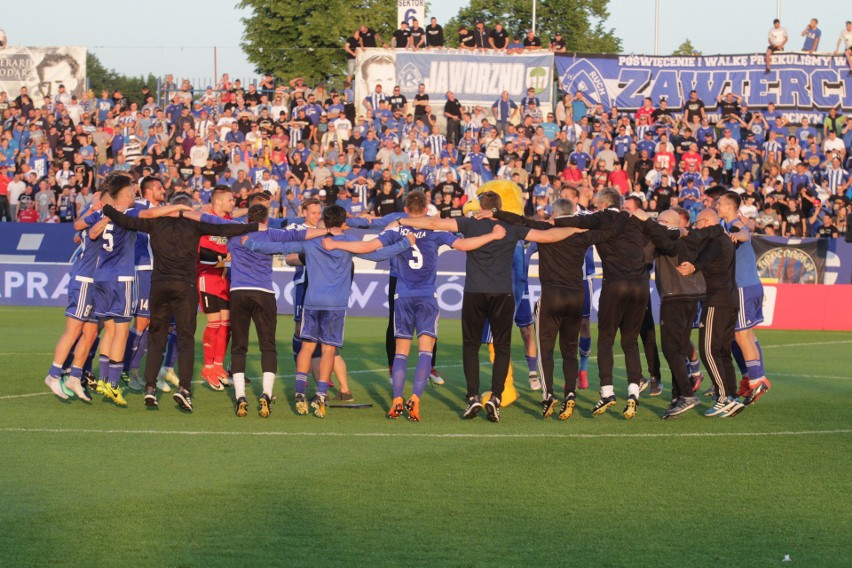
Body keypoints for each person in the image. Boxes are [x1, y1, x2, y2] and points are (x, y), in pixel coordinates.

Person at [397, 191, 583, 422]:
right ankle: (496, 397)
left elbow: (434, 222)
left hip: (474, 292)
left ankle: (473, 396)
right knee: (502, 346)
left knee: (470, 345)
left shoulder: (470, 223)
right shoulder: (511, 226)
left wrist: (401, 220)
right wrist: (579, 229)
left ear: (481, 207)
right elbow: (550, 236)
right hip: (502, 293)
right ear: (499, 206)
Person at [333, 191, 502, 421]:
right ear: (426, 208)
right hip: (426, 297)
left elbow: (367, 248)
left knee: (401, 354)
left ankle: (396, 399)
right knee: (425, 351)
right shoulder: (436, 230)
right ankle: (415, 399)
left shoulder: (395, 228)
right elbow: (464, 245)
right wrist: (492, 236)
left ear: (406, 208)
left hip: (402, 295)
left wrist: (335, 243)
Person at [247, 205, 414, 418]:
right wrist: (405, 243)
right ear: (343, 222)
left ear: (324, 220)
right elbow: (377, 254)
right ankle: (321, 395)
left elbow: (281, 247)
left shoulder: (311, 242)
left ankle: (299, 393)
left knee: (306, 347)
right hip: (336, 305)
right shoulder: (349, 242)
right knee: (328, 350)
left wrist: (251, 244)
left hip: (312, 301)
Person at [101, 192, 259, 412]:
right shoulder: (195, 225)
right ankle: (184, 389)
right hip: (185, 287)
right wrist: (252, 227)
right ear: (186, 210)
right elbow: (224, 229)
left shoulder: (155, 223)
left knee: (157, 337)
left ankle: (150, 387)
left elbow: (125, 220)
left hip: (159, 286)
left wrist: (107, 209)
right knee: (185, 338)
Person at [491, 198, 622, 419]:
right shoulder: (581, 233)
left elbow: (520, 221)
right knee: (570, 348)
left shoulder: (545, 228)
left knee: (546, 350)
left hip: (552, 295)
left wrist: (497, 212)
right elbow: (609, 233)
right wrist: (619, 213)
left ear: (554, 212)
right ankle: (570, 393)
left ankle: (548, 394)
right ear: (572, 211)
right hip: (576, 295)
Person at [227, 204, 335, 417]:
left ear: (248, 217)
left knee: (239, 347)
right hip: (263, 292)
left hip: (238, 292)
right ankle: (266, 394)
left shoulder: (235, 234)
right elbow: (300, 233)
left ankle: (240, 396)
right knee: (268, 346)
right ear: (267, 219)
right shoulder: (271, 234)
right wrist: (327, 230)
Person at [552, 187, 649, 419]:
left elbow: (571, 221)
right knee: (630, 342)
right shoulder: (635, 220)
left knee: (606, 339)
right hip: (641, 286)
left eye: (597, 204)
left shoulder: (603, 218)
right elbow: (664, 235)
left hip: (615, 284)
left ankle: (607, 392)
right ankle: (634, 393)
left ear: (604, 205)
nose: (596, 207)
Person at [630, 208, 723, 418]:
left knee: (671, 348)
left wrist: (647, 222)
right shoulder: (687, 236)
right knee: (679, 348)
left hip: (675, 296)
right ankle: (678, 395)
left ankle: (687, 395)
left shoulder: (665, 238)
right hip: (692, 295)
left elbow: (652, 252)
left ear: (663, 223)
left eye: (658, 221)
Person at [676, 208, 745, 418]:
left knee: (708, 351)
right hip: (730, 300)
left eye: (697, 223)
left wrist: (692, 268)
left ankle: (722, 397)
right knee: (723, 351)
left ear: (705, 222)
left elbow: (704, 260)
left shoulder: (716, 240)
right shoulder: (724, 238)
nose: (696, 226)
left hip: (717, 301)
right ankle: (731, 396)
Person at [717, 191, 772, 405]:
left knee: (740, 336)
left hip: (743, 287)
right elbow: (750, 228)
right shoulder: (734, 222)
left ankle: (757, 380)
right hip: (750, 285)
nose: (717, 205)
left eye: (720, 203)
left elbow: (744, 234)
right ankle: (753, 377)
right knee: (742, 334)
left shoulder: (735, 225)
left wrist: (737, 235)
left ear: (730, 207)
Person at [197, 187, 238, 390]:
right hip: (207, 276)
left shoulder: (229, 220)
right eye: (230, 200)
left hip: (223, 277)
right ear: (219, 201)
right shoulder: (204, 218)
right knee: (214, 322)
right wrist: (221, 257)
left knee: (226, 322)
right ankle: (207, 367)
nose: (233, 203)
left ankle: (219, 366)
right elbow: (200, 250)